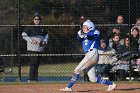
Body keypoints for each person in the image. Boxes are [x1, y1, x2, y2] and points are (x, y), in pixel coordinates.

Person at [59, 20, 117, 92]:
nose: (84, 28)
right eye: (83, 27)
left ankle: (69, 87)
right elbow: (79, 39)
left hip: (92, 53)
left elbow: (92, 37)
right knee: (92, 79)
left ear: (90, 27)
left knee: (77, 70)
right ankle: (111, 84)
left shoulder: (95, 32)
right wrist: (79, 33)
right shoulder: (84, 34)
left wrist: (85, 34)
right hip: (90, 55)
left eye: (85, 27)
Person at [22, 13, 49, 82]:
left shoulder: (42, 27)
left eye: (38, 19)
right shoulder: (29, 27)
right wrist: (31, 41)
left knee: (37, 63)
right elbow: (23, 34)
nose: (37, 20)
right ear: (33, 20)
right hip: (32, 48)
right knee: (34, 62)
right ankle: (30, 79)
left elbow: (46, 35)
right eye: (35, 19)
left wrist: (45, 41)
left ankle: (35, 79)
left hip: (40, 48)